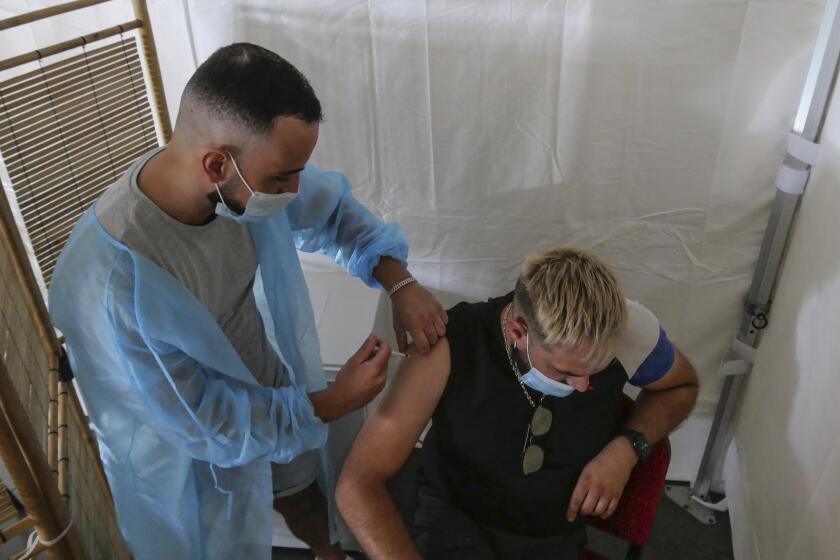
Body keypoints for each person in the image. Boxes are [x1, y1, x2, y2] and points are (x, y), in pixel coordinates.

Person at [48, 43, 447, 560]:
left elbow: (332, 212)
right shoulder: (116, 284)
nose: (295, 188)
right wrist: (332, 403)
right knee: (216, 541)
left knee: (303, 490)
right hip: (180, 452)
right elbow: (205, 424)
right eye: (283, 177)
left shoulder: (235, 186)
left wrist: (400, 283)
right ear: (217, 164)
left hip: (264, 388)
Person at [337, 246, 699, 559]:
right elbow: (357, 485)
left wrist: (628, 447)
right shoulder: (453, 343)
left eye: (595, 369)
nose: (583, 385)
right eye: (564, 372)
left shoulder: (628, 329)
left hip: (552, 531)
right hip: (457, 516)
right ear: (517, 331)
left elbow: (681, 387)